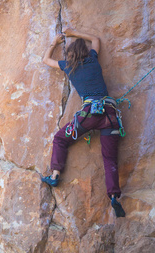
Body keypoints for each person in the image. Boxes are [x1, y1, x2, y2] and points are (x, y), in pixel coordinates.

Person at [41, 28, 126, 218]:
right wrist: (75, 32)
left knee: (60, 139)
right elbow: (95, 38)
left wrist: (54, 43)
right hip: (109, 115)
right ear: (85, 53)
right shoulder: (93, 60)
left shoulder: (68, 66)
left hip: (89, 115)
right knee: (110, 159)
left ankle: (54, 175)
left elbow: (45, 60)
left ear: (70, 55)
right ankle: (113, 196)